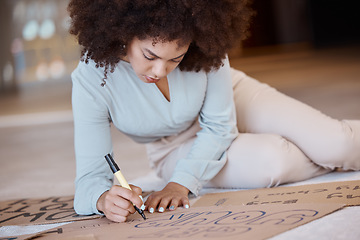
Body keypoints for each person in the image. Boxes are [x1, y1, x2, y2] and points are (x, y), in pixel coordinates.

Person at [67, 0, 360, 223]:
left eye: (175, 59)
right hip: (174, 148)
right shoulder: (92, 79)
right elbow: (89, 178)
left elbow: (220, 127)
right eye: (150, 55)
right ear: (123, 34)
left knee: (338, 143)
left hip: (235, 99)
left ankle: (331, 146)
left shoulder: (206, 43)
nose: (159, 70)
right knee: (273, 160)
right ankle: (322, 149)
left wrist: (181, 185)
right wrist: (103, 199)